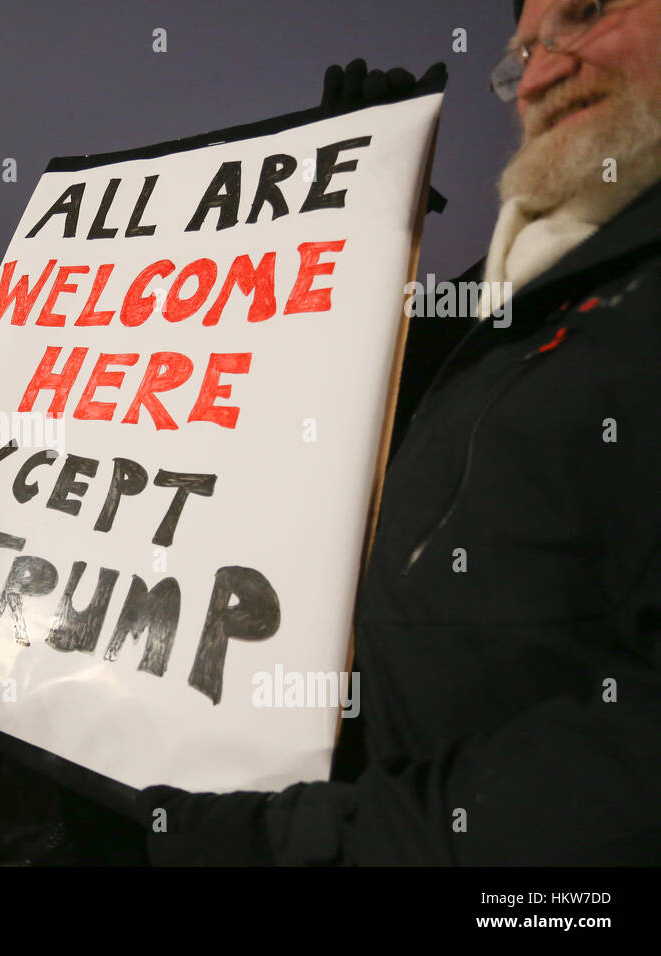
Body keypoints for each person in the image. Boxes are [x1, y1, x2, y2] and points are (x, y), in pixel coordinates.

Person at [143, 0, 661, 864]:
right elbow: (356, 385)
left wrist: (306, 846)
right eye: (525, 50)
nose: (540, 71)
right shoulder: (522, 299)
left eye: (588, 16)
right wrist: (355, 209)